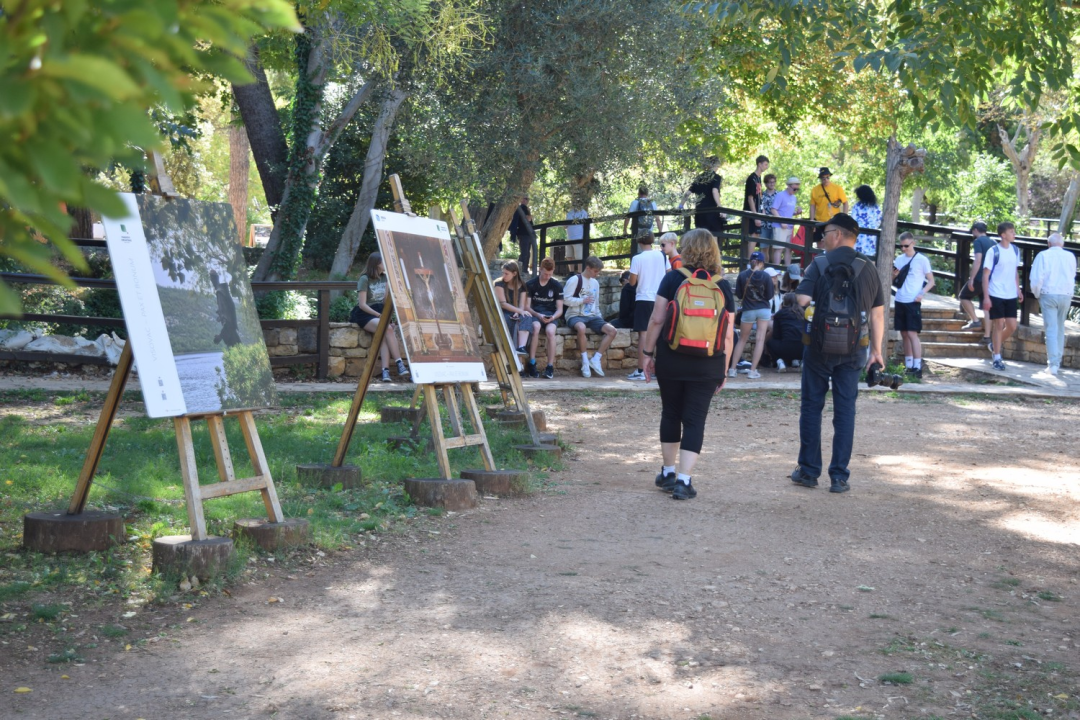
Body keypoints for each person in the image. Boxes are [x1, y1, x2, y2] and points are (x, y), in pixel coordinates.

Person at [791, 212, 885, 494]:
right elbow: (878, 315)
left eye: (825, 232)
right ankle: (839, 476)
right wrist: (876, 352)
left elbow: (803, 300)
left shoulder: (818, 264)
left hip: (819, 347)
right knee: (845, 411)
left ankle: (808, 471)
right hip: (855, 349)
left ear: (839, 234)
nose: (821, 239)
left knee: (811, 407)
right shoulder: (869, 268)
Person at [640, 228, 735, 500]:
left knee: (671, 412)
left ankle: (668, 473)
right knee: (695, 419)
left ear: (686, 248)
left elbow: (657, 319)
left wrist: (647, 354)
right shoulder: (723, 285)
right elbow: (728, 333)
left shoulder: (672, 279)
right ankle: (684, 481)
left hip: (671, 358)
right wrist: (724, 368)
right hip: (708, 363)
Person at [349, 253, 410, 383]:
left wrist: (389, 318)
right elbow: (362, 304)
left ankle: (385, 372)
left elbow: (384, 302)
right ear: (377, 263)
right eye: (384, 261)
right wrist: (380, 316)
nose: (387, 264)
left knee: (383, 334)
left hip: (379, 312)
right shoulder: (364, 279)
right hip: (365, 314)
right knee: (386, 328)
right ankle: (399, 363)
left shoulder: (385, 278)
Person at [1029, 232, 1076, 376]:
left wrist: (1037, 294)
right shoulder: (1071, 256)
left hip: (1048, 293)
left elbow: (1036, 278)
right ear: (1062, 244)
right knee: (1060, 328)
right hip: (1065, 295)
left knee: (1051, 329)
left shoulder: (1043, 255)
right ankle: (1057, 360)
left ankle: (1053, 364)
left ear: (1049, 244)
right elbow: (1072, 275)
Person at [563, 256, 618, 377]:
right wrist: (582, 300)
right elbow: (565, 300)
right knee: (581, 328)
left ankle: (596, 359)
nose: (597, 274)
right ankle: (585, 361)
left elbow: (596, 303)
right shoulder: (574, 280)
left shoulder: (595, 283)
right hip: (575, 315)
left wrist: (600, 319)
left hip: (592, 316)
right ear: (588, 268)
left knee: (612, 330)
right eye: (595, 271)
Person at [892, 231, 935, 378]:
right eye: (901, 246)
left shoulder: (922, 260)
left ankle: (917, 366)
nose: (903, 249)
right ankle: (908, 364)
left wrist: (921, 293)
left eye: (906, 246)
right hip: (900, 299)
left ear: (913, 243)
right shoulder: (899, 259)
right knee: (904, 333)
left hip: (913, 300)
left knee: (912, 333)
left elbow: (931, 281)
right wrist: (894, 275)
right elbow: (892, 278)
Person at [627, 232, 669, 380]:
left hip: (644, 298)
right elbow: (669, 273)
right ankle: (660, 369)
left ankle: (640, 370)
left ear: (639, 241)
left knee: (643, 335)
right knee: (659, 335)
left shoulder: (637, 258)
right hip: (660, 298)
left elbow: (632, 282)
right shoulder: (662, 255)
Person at [981, 222, 1022, 371]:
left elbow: (1015, 271)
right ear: (1003, 235)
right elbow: (985, 275)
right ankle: (997, 357)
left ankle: (994, 345)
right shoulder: (993, 251)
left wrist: (1018, 289)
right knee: (998, 325)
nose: (1014, 234)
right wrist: (986, 297)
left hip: (1010, 293)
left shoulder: (1016, 250)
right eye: (1011, 232)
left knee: (1011, 326)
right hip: (996, 292)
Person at [728, 250, 774, 379]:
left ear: (750, 262)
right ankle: (752, 371)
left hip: (748, 309)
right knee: (760, 339)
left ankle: (732, 369)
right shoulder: (766, 276)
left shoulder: (742, 275)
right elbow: (770, 295)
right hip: (763, 309)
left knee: (742, 339)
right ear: (762, 263)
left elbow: (738, 294)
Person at [494, 260, 540, 376]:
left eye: (506, 274)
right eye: (503, 273)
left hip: (515, 311)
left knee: (527, 317)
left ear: (514, 273)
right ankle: (518, 365)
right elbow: (503, 304)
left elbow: (522, 306)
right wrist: (518, 311)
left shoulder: (522, 286)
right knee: (513, 323)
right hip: (502, 312)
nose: (503, 276)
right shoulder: (499, 284)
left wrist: (519, 312)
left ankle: (521, 348)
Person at [525, 256, 564, 379]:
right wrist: (538, 315)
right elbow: (526, 307)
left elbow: (560, 309)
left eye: (550, 274)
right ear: (540, 269)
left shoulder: (556, 285)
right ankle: (532, 363)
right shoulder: (531, 284)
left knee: (550, 332)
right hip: (535, 314)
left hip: (551, 315)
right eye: (546, 273)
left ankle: (550, 367)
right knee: (535, 327)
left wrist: (552, 317)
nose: (547, 277)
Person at [958, 222, 994, 350]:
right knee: (987, 307)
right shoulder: (993, 242)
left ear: (975, 230)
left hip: (979, 277)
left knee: (963, 296)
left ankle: (975, 321)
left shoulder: (978, 241)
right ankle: (987, 336)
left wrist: (971, 278)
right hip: (990, 279)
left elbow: (978, 260)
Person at [684, 156, 724, 237]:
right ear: (715, 165)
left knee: (701, 237)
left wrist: (680, 205)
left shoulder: (699, 177)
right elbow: (714, 191)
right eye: (717, 165)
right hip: (711, 211)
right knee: (713, 236)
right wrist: (720, 207)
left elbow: (687, 193)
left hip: (699, 212)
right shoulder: (716, 177)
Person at [765, 292, 805, 372]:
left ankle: (780, 362)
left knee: (769, 342)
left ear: (784, 302)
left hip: (786, 349)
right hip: (803, 349)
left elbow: (776, 335)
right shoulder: (802, 313)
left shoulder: (780, 314)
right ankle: (802, 362)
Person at [770, 178, 802, 266]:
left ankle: (787, 269)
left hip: (790, 227)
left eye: (797, 189)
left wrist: (796, 213)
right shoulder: (780, 195)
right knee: (779, 249)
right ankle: (777, 269)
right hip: (779, 226)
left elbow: (788, 211)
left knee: (788, 249)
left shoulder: (794, 197)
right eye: (794, 189)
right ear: (788, 186)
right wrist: (781, 221)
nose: (795, 191)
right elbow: (773, 209)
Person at [623, 185, 663, 256]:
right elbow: (657, 219)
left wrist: (625, 230)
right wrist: (660, 232)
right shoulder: (652, 203)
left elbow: (627, 217)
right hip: (649, 230)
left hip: (637, 230)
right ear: (647, 194)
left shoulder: (635, 202)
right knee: (648, 248)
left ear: (638, 193)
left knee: (638, 250)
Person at [209, 270, 242, 347]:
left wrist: (220, 336)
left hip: (230, 333)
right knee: (238, 348)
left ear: (213, 280)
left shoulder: (220, 293)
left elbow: (228, 321)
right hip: (230, 331)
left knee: (236, 349)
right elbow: (228, 309)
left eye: (212, 279)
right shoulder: (223, 292)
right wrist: (220, 314)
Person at [742, 155, 769, 246]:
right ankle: (749, 259)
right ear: (759, 164)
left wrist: (762, 211)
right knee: (753, 236)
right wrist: (755, 216)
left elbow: (759, 196)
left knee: (756, 235)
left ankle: (749, 258)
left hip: (758, 212)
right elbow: (750, 198)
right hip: (751, 213)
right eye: (765, 164)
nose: (767, 167)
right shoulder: (752, 179)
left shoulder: (759, 178)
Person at [507, 195, 536, 276]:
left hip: (526, 234)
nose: (526, 200)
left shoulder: (524, 208)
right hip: (524, 234)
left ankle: (524, 269)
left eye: (527, 199)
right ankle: (520, 270)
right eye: (525, 198)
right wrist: (531, 215)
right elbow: (528, 218)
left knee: (526, 252)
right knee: (525, 252)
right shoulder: (522, 208)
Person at [850, 185, 882, 257]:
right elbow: (879, 221)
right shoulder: (876, 207)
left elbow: (853, 220)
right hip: (872, 236)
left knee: (857, 259)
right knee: (870, 259)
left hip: (859, 235)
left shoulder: (857, 206)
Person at [565, 202, 589, 273]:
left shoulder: (584, 213)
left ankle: (580, 273)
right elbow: (565, 225)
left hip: (579, 238)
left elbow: (586, 227)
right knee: (569, 256)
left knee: (579, 257)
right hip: (569, 238)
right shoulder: (569, 213)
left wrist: (584, 238)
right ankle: (571, 273)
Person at [759, 173, 778, 249]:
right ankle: (764, 261)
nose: (772, 184)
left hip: (775, 224)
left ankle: (773, 261)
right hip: (764, 224)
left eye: (773, 182)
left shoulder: (779, 195)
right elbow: (760, 206)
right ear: (766, 184)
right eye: (770, 182)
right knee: (764, 248)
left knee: (775, 248)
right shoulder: (761, 195)